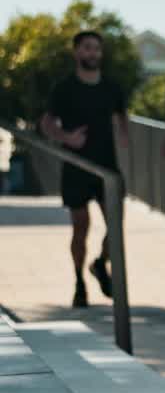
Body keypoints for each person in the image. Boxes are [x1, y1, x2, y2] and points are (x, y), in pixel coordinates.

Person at [40, 30, 129, 308]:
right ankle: (79, 282)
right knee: (81, 227)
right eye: (87, 48)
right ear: (77, 52)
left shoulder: (112, 87)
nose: (93, 53)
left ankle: (101, 264)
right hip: (77, 166)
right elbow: (46, 124)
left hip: (108, 167)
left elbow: (122, 118)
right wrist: (66, 138)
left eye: (96, 49)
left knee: (115, 224)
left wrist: (124, 137)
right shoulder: (64, 87)